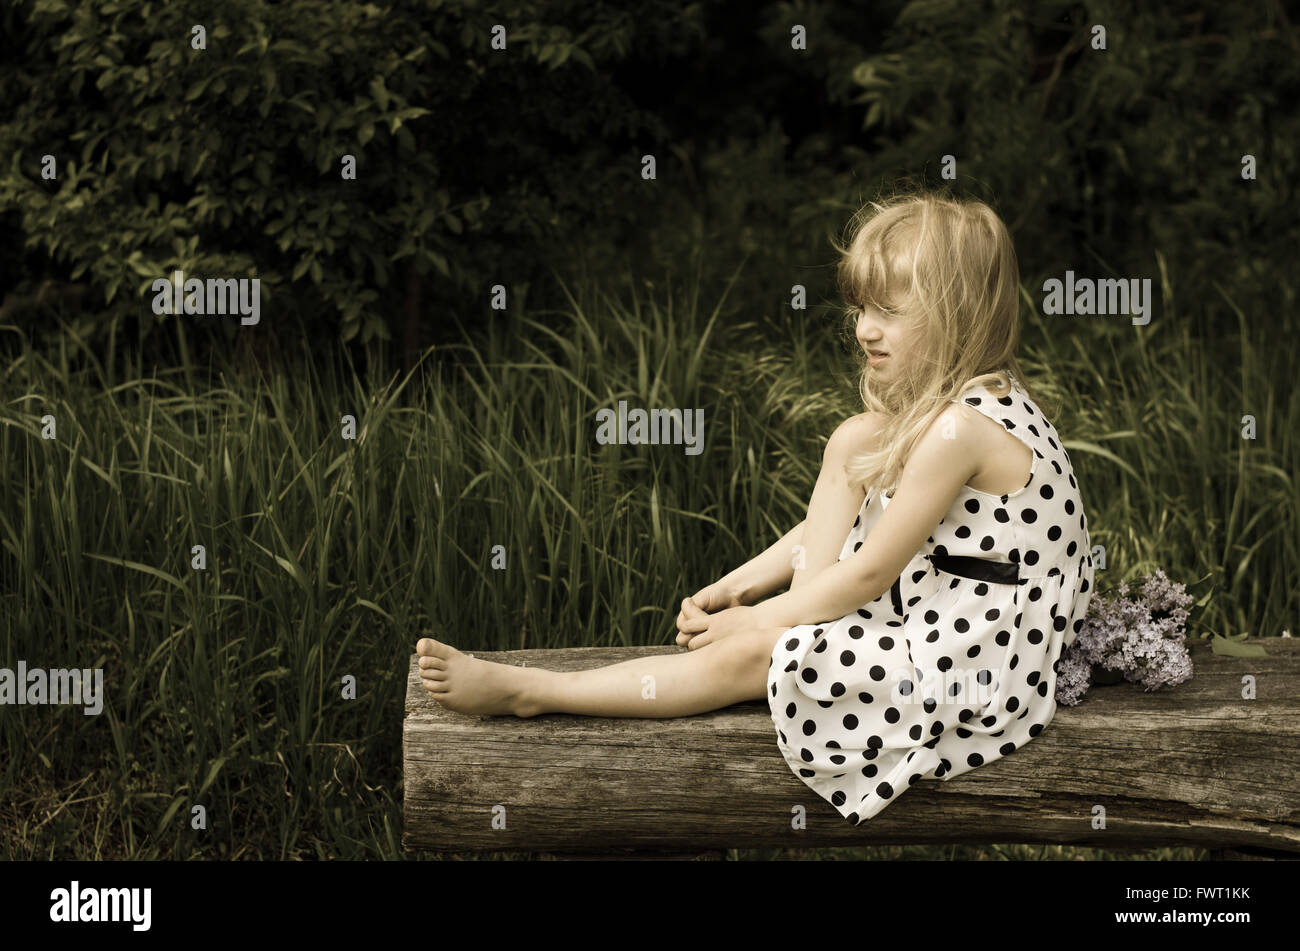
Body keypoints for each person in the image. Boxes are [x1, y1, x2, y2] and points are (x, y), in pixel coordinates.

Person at [414, 190, 1095, 824]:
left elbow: (869, 573)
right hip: (944, 617)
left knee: (760, 653)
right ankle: (794, 624)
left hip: (976, 666)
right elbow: (860, 516)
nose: (863, 329)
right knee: (856, 438)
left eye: (889, 310)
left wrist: (762, 625)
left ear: (956, 315)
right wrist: (741, 585)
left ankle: (533, 691)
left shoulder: (961, 431)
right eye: (860, 308)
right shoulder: (955, 414)